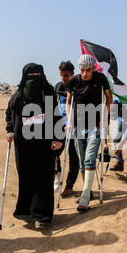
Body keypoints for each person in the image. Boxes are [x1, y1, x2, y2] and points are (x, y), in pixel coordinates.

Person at [5, 63, 63, 229]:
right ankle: (27, 212)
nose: (33, 79)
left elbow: (56, 115)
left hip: (44, 145)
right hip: (23, 146)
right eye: (31, 75)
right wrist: (9, 130)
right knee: (26, 178)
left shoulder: (47, 93)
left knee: (43, 178)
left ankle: (42, 216)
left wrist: (57, 138)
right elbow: (9, 114)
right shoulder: (18, 94)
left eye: (37, 75)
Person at [67, 54, 112, 213]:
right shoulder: (74, 81)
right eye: (82, 70)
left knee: (89, 158)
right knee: (82, 161)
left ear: (93, 68)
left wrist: (104, 117)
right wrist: (70, 120)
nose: (85, 73)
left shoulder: (100, 79)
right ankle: (88, 190)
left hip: (95, 126)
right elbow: (68, 102)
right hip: (78, 126)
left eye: (88, 70)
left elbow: (109, 98)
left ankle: (85, 197)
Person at [54, 61, 80, 198]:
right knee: (54, 153)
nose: (64, 78)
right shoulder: (57, 87)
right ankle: (57, 176)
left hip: (74, 128)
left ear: (72, 74)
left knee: (74, 158)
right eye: (61, 75)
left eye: (66, 75)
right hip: (60, 127)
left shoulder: (78, 87)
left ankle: (69, 186)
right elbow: (52, 105)